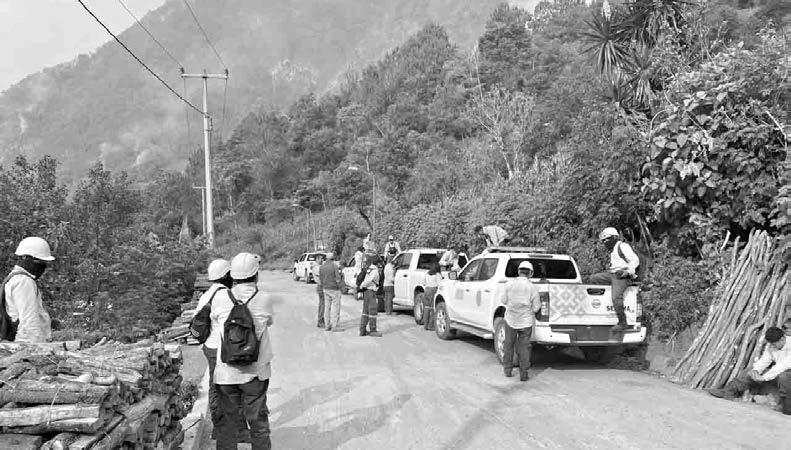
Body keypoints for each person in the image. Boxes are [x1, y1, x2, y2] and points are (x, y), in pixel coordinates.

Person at [211, 252, 275, 449]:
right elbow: (269, 322)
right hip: (255, 373)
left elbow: (215, 320)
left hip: (226, 373)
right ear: (256, 275)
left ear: (232, 276)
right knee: (258, 423)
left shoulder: (220, 297)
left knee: (228, 425)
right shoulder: (264, 298)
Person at [708, 327, 791, 415]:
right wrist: (756, 371)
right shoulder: (771, 346)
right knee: (750, 370)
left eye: (774, 344)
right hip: (778, 371)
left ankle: (786, 404)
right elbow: (764, 360)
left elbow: (783, 365)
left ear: (782, 339)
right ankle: (729, 391)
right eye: (771, 344)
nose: (772, 346)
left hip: (786, 372)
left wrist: (764, 378)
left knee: (784, 377)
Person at [195, 259, 233, 433]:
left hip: (209, 346)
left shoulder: (207, 295)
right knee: (225, 388)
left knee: (215, 386)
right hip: (221, 348)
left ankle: (219, 426)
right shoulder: (225, 295)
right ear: (226, 275)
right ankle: (222, 428)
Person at [3, 237, 55, 343]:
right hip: (27, 346)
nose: (42, 266)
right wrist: (33, 349)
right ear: (24, 258)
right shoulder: (24, 282)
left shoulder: (15, 278)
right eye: (39, 261)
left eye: (44, 262)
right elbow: (29, 322)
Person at [589, 227, 639, 332]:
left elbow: (635, 260)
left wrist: (628, 272)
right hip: (612, 274)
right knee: (594, 278)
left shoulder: (622, 246)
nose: (605, 242)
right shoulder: (613, 249)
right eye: (603, 240)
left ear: (614, 237)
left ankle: (622, 323)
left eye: (607, 239)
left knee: (616, 297)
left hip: (622, 276)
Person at [500, 261, 541, 381]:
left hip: (510, 320)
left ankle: (507, 370)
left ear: (519, 271)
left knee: (508, 345)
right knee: (524, 348)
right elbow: (536, 307)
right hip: (526, 322)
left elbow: (503, 300)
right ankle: (524, 374)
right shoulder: (532, 287)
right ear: (530, 273)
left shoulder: (509, 284)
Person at [358, 255, 382, 337]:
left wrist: (361, 286)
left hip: (366, 292)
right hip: (370, 291)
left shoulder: (369, 269)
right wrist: (362, 285)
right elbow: (369, 280)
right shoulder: (374, 271)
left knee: (365, 311)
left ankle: (362, 330)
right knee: (372, 311)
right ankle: (373, 330)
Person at [319, 253, 343, 331]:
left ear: (326, 258)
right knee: (336, 308)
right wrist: (340, 286)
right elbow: (338, 278)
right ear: (332, 258)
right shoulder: (334, 266)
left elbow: (321, 279)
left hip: (325, 288)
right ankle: (334, 326)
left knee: (327, 307)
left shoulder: (322, 267)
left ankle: (327, 325)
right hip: (334, 289)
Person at [422, 263, 442, 331]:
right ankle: (431, 325)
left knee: (426, 308)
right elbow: (439, 284)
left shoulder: (427, 273)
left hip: (427, 290)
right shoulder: (437, 274)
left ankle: (425, 325)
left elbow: (423, 283)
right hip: (433, 290)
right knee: (433, 309)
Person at [313, 253, 326, 328]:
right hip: (321, 286)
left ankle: (321, 320)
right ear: (317, 259)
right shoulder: (316, 267)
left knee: (323, 304)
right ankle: (320, 321)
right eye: (321, 259)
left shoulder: (320, 266)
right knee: (322, 305)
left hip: (323, 286)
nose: (322, 260)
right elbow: (322, 274)